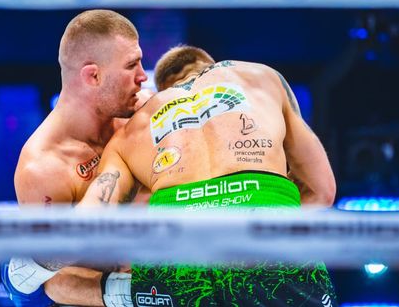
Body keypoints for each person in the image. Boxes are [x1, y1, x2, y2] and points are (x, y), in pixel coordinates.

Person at [77, 45, 338, 306]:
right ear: (208, 63)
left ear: (163, 87)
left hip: (175, 255)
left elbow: (89, 220)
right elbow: (321, 190)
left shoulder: (131, 129)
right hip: (267, 235)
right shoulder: (262, 77)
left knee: (66, 285)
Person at [1, 9, 150, 307]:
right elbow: (51, 279)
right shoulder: (44, 167)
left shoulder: (140, 115)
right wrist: (137, 295)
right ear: (93, 75)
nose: (143, 76)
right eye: (131, 65)